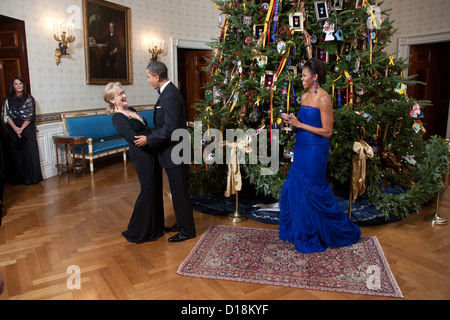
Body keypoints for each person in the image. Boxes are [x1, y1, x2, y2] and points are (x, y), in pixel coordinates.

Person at [280, 58, 361, 254]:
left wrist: (299, 125)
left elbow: (327, 131)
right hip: (301, 147)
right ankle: (301, 231)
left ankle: (330, 231)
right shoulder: (303, 97)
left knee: (313, 190)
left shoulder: (324, 98)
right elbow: (303, 122)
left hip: (316, 150)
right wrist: (293, 122)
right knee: (294, 187)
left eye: (304, 75)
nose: (301, 79)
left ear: (315, 77)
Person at [134, 61, 196, 243]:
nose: (148, 80)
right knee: (177, 192)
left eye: (148, 77)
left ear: (157, 77)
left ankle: (188, 231)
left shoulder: (169, 95)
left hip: (175, 151)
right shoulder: (167, 93)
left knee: (180, 192)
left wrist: (148, 139)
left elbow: (170, 128)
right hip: (174, 150)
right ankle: (181, 223)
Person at [104, 82, 164, 243]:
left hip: (151, 151)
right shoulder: (117, 117)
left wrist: (156, 143)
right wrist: (155, 142)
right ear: (112, 100)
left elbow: (146, 132)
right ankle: (138, 230)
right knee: (148, 190)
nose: (124, 96)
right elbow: (135, 139)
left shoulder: (132, 111)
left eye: (123, 92)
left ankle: (155, 227)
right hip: (142, 156)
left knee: (156, 189)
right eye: (119, 95)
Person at [1, 77, 43, 185]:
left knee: (30, 154)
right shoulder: (7, 100)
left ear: (23, 85)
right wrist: (15, 129)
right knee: (17, 155)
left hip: (27, 128)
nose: (19, 86)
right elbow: (5, 116)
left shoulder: (29, 98)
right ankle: (19, 179)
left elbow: (30, 115)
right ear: (13, 86)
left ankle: (32, 179)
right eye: (16, 84)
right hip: (13, 129)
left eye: (20, 83)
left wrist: (21, 129)